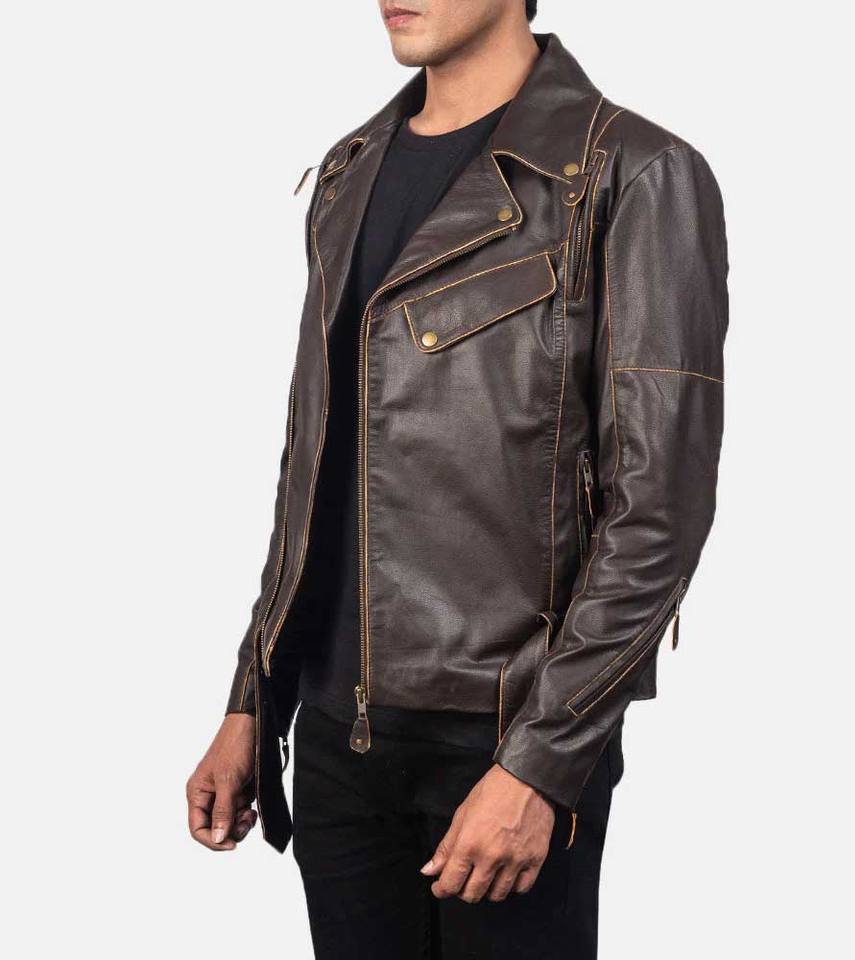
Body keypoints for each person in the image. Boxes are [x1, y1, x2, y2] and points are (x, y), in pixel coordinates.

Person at [186, 1, 728, 956]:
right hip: (337, 736)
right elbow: (313, 462)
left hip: (503, 742)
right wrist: (252, 697)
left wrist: (541, 765)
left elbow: (659, 515)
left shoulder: (633, 172)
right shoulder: (349, 170)